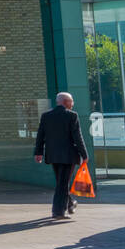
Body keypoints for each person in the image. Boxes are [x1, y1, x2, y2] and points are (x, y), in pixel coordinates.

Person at [33, 91, 88, 220]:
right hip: (68, 156)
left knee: (61, 182)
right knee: (63, 183)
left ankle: (69, 204)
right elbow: (77, 137)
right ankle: (58, 212)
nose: (73, 104)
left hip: (53, 155)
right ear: (66, 102)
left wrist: (38, 152)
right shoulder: (72, 116)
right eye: (72, 101)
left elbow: (40, 135)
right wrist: (84, 154)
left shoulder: (46, 115)